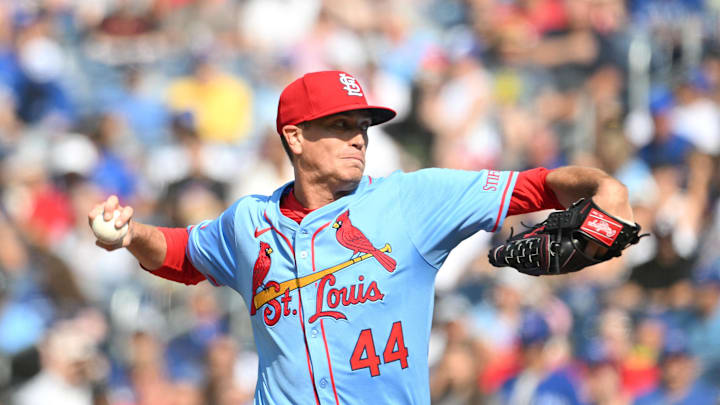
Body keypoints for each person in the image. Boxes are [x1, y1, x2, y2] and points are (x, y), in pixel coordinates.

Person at [89, 70, 634, 404]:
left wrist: (607, 192)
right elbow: (183, 252)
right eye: (342, 125)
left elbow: (538, 186)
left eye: (363, 126)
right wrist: (130, 234)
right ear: (296, 137)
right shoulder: (247, 223)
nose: (360, 138)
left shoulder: (413, 200)